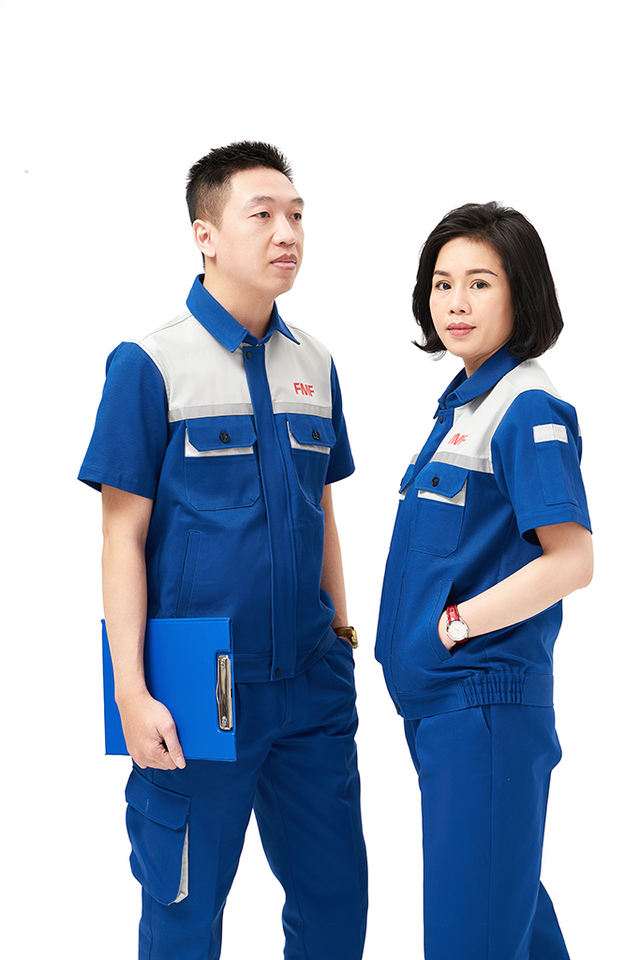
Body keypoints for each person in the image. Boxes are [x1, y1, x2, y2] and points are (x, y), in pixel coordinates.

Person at [78, 141, 367, 960]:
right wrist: (131, 692)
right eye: (263, 214)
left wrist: (342, 636)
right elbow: (121, 537)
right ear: (205, 234)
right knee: (184, 915)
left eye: (297, 215)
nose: (288, 233)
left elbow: (322, 508)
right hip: (199, 692)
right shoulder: (149, 365)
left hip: (311, 683)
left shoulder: (316, 363)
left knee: (336, 907)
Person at [375, 201, 593, 959]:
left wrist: (457, 625)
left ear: (520, 293)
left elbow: (573, 560)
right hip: (445, 711)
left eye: (479, 283)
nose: (455, 303)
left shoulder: (526, 407)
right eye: (443, 284)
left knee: (471, 935)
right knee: (509, 918)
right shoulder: (465, 406)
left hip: (483, 710)